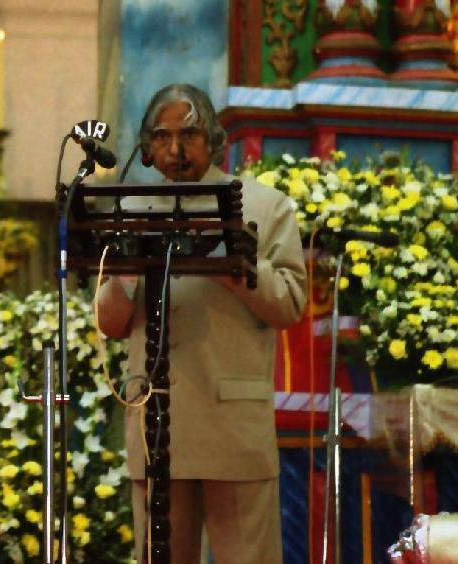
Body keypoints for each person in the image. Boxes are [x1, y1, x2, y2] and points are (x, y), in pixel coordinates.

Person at [95, 83, 307, 564]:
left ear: (213, 139)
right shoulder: (131, 209)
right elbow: (109, 323)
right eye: (162, 137)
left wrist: (239, 270)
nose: (175, 149)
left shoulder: (262, 205)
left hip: (232, 422)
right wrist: (124, 277)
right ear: (146, 148)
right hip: (155, 422)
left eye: (188, 134)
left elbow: (291, 305)